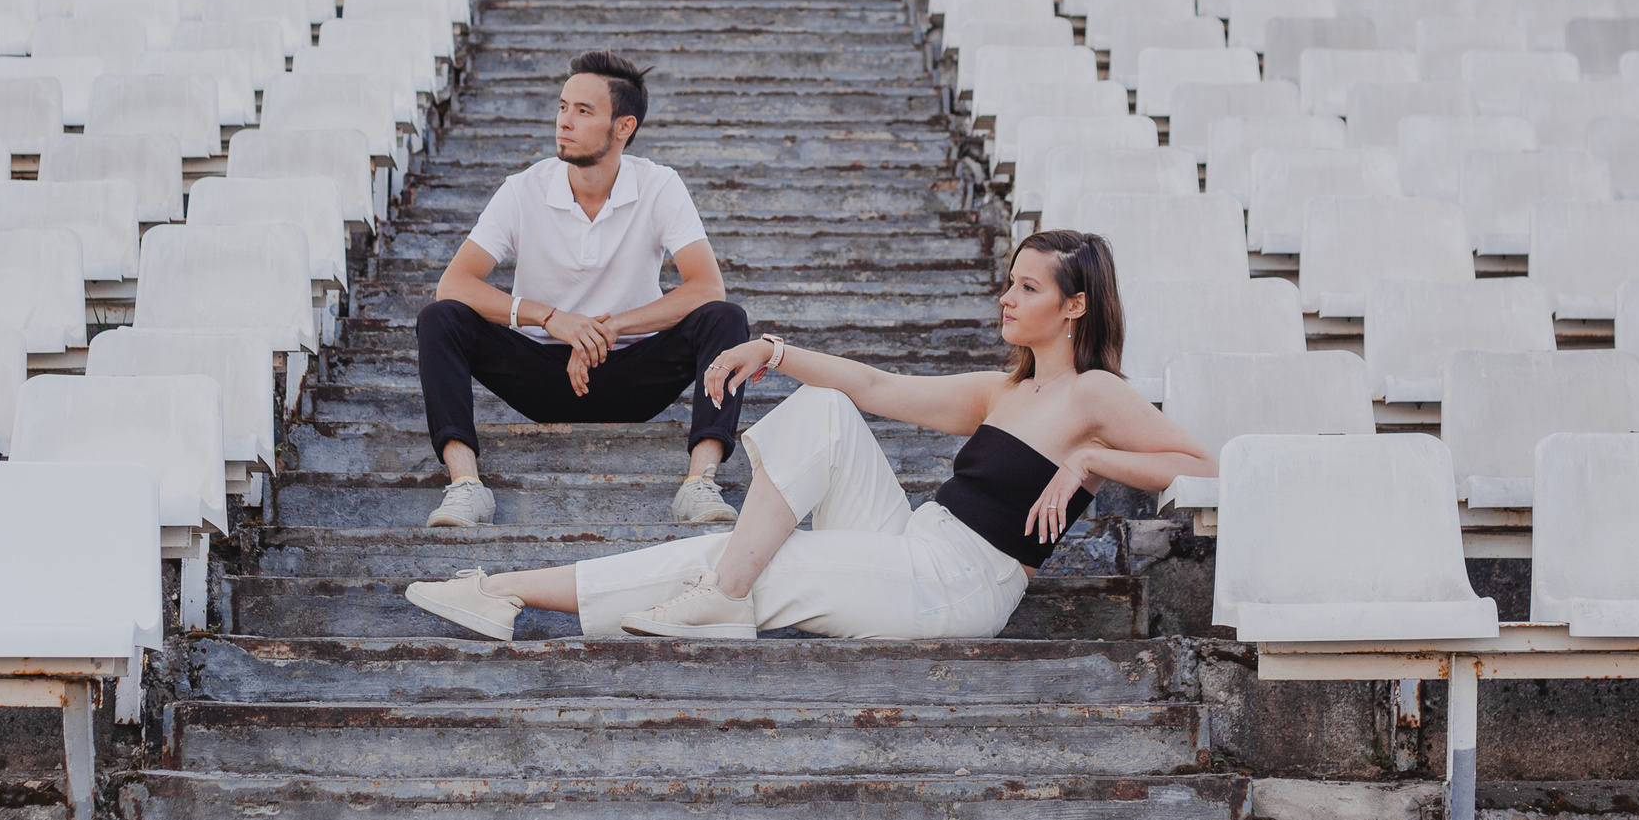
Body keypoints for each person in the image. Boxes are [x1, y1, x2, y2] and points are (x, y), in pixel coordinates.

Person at [404, 229, 1216, 641]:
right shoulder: (1006, 388)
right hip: (914, 540)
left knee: (747, 560)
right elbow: (875, 387)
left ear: (1075, 305)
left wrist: (1091, 458)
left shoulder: (1094, 394)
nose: (1007, 296)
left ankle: (514, 589)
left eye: (1028, 287)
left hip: (962, 583)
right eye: (1009, 281)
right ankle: (701, 592)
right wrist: (774, 350)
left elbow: (1204, 464)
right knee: (826, 411)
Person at [414, 49, 751, 530]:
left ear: (623, 127)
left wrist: (609, 329)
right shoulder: (524, 189)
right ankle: (466, 485)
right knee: (440, 317)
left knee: (726, 318)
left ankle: (700, 482)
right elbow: (455, 283)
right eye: (562, 107)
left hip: (633, 374)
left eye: (584, 111)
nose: (565, 121)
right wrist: (552, 319)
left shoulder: (659, 185)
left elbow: (706, 288)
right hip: (539, 372)